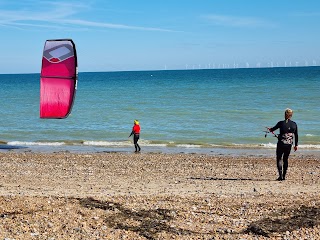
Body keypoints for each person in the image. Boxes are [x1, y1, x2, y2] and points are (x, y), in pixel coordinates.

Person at [268, 108, 298, 181]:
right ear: (291, 115)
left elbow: (272, 129)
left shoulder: (281, 123)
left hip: (281, 144)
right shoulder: (294, 124)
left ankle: (280, 176)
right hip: (289, 144)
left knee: (279, 158)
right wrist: (296, 145)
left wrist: (270, 129)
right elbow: (296, 135)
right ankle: (284, 177)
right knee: (285, 159)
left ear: (285, 114)